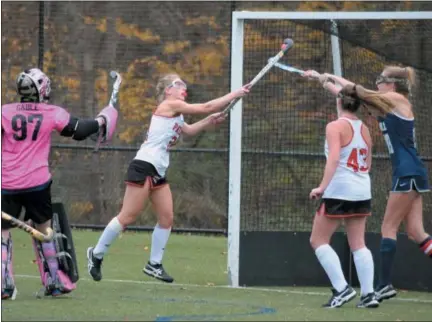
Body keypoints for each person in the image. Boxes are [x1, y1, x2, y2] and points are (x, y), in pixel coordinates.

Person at [87, 74, 250, 283]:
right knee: (128, 216)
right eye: (178, 84)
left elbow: (189, 130)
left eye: (184, 84)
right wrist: (235, 94)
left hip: (158, 170)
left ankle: (154, 264)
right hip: (144, 165)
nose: (184, 88)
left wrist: (209, 122)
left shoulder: (177, 114)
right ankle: (96, 254)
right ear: (167, 91)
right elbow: (207, 106)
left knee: (167, 218)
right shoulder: (168, 105)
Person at [1, 68, 117, 299]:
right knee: (43, 229)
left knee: (2, 232)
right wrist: (101, 121)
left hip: (7, 182)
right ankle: (55, 281)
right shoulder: (51, 112)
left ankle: (4, 284)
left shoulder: (5, 111)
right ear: (42, 89)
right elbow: (80, 130)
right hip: (37, 183)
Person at [320, 66, 431, 302]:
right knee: (415, 232)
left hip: (407, 172)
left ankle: (383, 285)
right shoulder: (386, 105)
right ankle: (382, 285)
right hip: (412, 172)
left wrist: (332, 75)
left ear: (390, 83)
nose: (377, 83)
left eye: (380, 79)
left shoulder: (396, 98)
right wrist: (325, 82)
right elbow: (351, 97)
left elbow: (358, 91)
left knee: (388, 229)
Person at [302, 71, 379, 308]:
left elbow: (334, 159)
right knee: (359, 244)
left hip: (340, 190)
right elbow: (367, 163)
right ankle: (369, 294)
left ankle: (342, 289)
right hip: (362, 190)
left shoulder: (335, 126)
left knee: (318, 240)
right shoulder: (365, 128)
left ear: (339, 101)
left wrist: (322, 187)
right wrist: (325, 80)